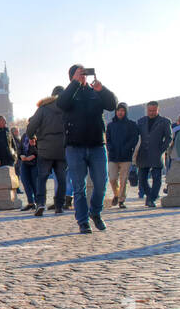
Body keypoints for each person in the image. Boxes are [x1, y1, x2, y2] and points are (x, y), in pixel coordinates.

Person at [56, 64, 117, 233]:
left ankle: (95, 212)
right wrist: (75, 83)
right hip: (75, 147)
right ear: (72, 77)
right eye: (79, 74)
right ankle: (83, 221)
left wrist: (101, 89)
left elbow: (112, 104)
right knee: (78, 187)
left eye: (84, 74)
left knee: (101, 183)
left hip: (97, 145)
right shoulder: (67, 94)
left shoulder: (94, 92)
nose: (83, 76)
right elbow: (61, 104)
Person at [25, 85, 68, 216]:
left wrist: (32, 137)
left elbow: (31, 126)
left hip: (45, 148)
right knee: (61, 178)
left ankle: (41, 203)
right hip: (62, 147)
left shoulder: (43, 108)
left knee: (42, 177)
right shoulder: (68, 109)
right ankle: (59, 205)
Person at [135, 101, 172, 207]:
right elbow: (135, 135)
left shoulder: (164, 121)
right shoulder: (141, 121)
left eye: (153, 110)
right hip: (143, 153)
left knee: (157, 178)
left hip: (157, 153)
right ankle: (150, 196)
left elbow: (169, 138)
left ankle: (152, 198)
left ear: (157, 110)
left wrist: (161, 150)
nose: (151, 113)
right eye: (149, 110)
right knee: (142, 179)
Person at [105, 102, 139, 209]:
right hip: (113, 156)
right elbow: (108, 139)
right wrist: (110, 148)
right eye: (118, 110)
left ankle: (121, 200)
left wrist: (128, 148)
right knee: (112, 178)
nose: (120, 112)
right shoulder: (111, 125)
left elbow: (134, 138)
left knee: (123, 179)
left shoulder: (131, 124)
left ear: (126, 112)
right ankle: (116, 194)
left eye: (122, 110)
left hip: (126, 156)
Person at [18, 134, 38, 210]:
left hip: (35, 163)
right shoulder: (24, 136)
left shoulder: (39, 134)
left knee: (35, 183)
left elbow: (42, 149)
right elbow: (20, 148)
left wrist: (34, 155)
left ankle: (38, 202)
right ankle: (31, 202)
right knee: (25, 182)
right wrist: (20, 155)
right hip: (25, 162)